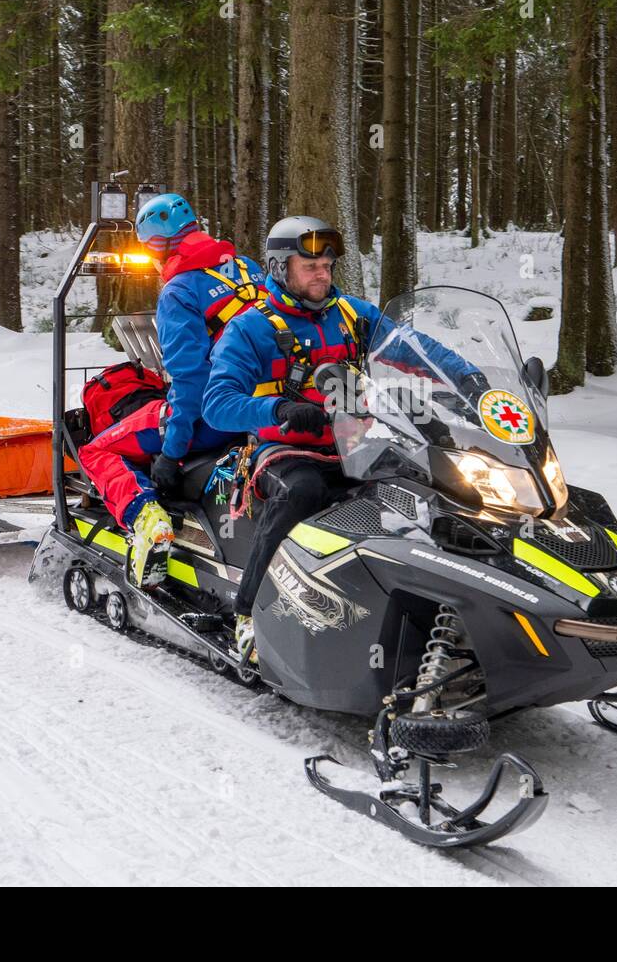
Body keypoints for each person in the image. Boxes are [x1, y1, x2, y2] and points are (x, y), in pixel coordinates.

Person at [203, 215, 484, 664]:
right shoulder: (249, 328)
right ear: (279, 268)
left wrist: (468, 379)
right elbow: (217, 404)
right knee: (304, 491)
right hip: (286, 449)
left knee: (428, 487)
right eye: (309, 264)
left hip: (357, 444)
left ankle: (445, 604)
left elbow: (414, 347)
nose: (322, 273)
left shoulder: (353, 314)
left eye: (328, 265)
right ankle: (249, 611)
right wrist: (278, 410)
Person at [76, 194, 264, 589]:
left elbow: (191, 384)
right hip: (267, 406)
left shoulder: (180, 291)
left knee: (97, 450)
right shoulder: (248, 269)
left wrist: (172, 454)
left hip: (217, 417)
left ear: (157, 244)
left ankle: (146, 517)